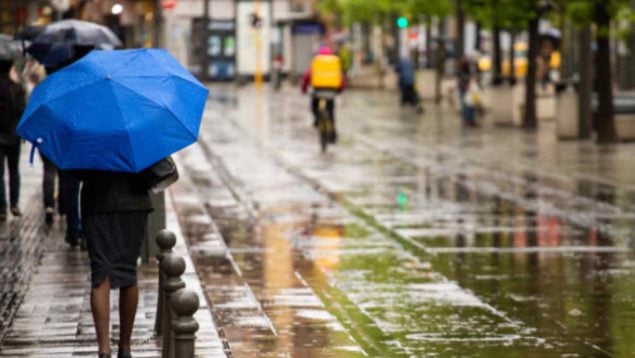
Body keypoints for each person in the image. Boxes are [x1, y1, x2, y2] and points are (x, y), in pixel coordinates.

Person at [74, 170, 153, 358]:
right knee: (128, 271)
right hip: (134, 200)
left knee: (101, 273)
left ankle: (104, 349)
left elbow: (74, 172)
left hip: (97, 201)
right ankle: (125, 347)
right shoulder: (136, 138)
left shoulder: (88, 139)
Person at [301, 45, 345, 142]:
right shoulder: (334, 62)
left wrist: (304, 89)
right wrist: (339, 90)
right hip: (331, 92)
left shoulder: (317, 62)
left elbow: (307, 76)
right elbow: (340, 78)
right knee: (331, 112)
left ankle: (317, 120)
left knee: (314, 106)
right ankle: (332, 134)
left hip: (318, 91)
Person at [0, 60, 26, 220]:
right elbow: (22, 110)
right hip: (13, 135)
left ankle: (2, 207)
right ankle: (14, 203)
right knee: (14, 171)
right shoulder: (17, 88)